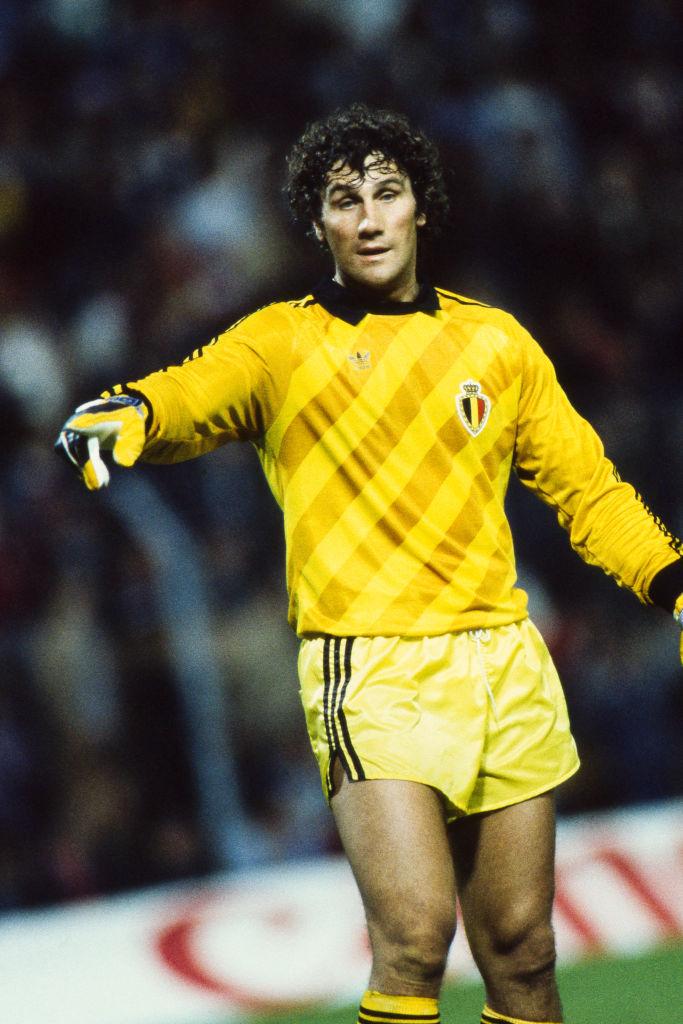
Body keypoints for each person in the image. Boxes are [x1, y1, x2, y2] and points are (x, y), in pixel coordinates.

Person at [55, 104, 683, 1024]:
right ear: (317, 224)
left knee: (524, 952)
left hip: (502, 664)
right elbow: (192, 394)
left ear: (420, 206)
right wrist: (133, 413)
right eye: (344, 200)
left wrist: (671, 584)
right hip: (372, 670)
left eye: (387, 193)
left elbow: (587, 491)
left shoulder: (496, 344)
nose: (370, 217)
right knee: (416, 938)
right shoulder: (282, 343)